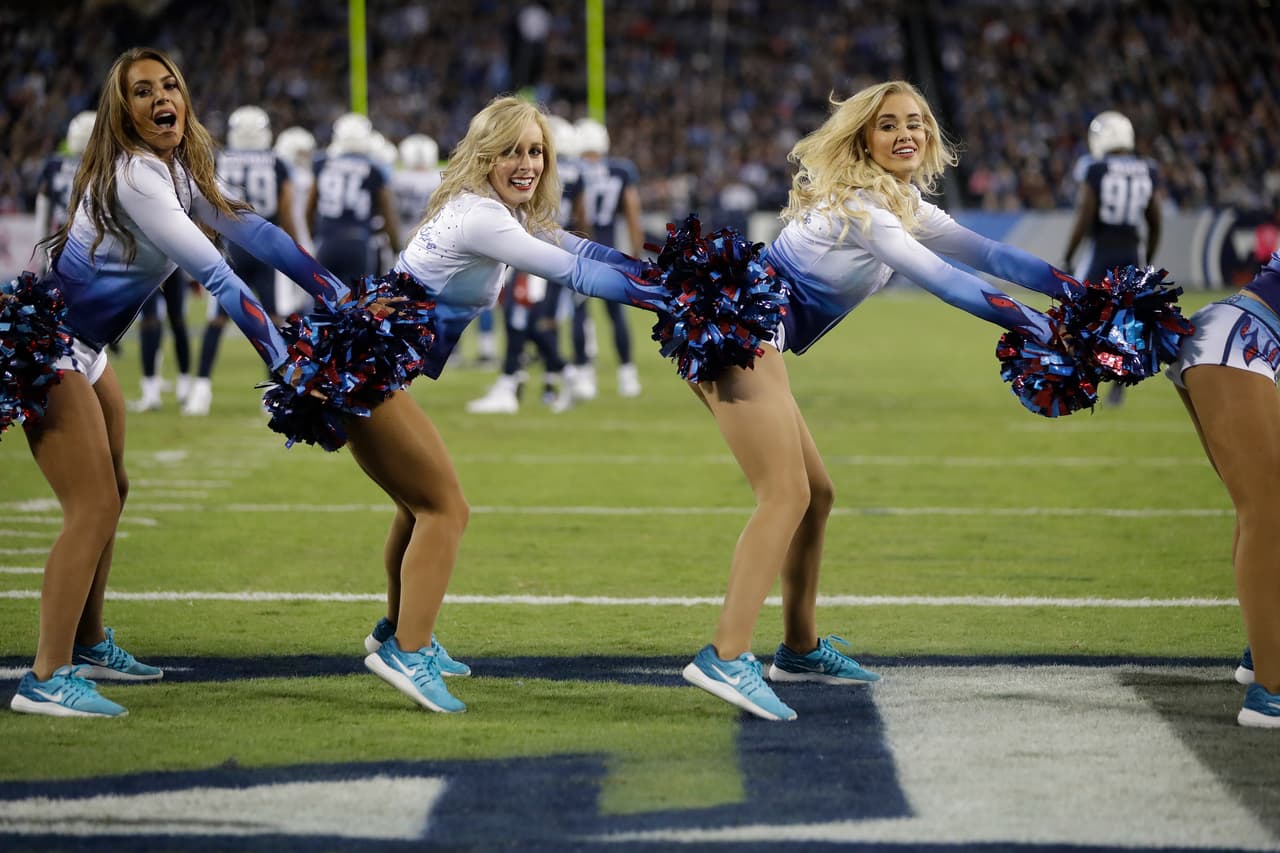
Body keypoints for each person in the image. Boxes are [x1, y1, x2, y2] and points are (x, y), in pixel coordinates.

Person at [676, 81, 1083, 721]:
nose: (906, 135)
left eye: (916, 123)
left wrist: (1079, 297)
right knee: (784, 495)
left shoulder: (903, 202)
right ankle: (724, 655)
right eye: (888, 124)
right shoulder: (862, 208)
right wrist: (1039, 328)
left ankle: (800, 647)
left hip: (747, 334)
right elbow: (947, 282)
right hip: (736, 337)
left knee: (816, 494)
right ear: (863, 136)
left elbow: (993, 254)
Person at [6, 47, 352, 718]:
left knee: (116, 487)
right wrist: (284, 361)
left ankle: (87, 640)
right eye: (142, 91)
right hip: (50, 347)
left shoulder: (176, 170)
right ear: (124, 111)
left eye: (169, 85)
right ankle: (45, 675)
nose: (161, 97)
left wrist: (336, 291)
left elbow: (256, 232)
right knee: (93, 505)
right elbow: (218, 275)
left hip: (88, 347)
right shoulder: (136, 176)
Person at [360, 94, 662, 711]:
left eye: (535, 151)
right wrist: (671, 303)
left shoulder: (498, 212)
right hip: (366, 373)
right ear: (483, 154)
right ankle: (408, 652)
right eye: (511, 151)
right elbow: (574, 276)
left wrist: (660, 275)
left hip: (369, 368)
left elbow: (583, 249)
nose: (526, 163)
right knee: (446, 508)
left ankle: (398, 631)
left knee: (418, 506)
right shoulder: (483, 217)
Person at [1167, 251, 1280, 728]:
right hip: (1241, 340)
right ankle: (1271, 692)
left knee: (1261, 506)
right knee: (1268, 511)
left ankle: (1263, 650)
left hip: (1243, 338)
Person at [183, 105, 298, 416]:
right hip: (265, 249)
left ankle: (201, 390)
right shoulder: (277, 163)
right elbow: (286, 208)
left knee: (217, 319)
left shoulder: (220, 159)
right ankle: (276, 390)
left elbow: (203, 205)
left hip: (232, 247)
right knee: (273, 319)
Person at [1063, 110, 1161, 407]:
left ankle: (1076, 379)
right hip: (1132, 251)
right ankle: (1119, 384)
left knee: (1075, 316)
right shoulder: (1147, 168)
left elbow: (1085, 215)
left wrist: (1068, 255)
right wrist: (1148, 263)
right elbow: (1155, 222)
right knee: (1123, 324)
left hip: (1101, 250)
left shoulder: (1095, 168)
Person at [567, 117, 645, 400]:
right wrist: (636, 251)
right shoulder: (620, 170)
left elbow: (578, 215)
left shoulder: (571, 170)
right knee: (616, 314)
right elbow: (632, 212)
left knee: (579, 313)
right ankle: (627, 375)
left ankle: (585, 374)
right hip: (610, 251)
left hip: (581, 249)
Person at [308, 113, 401, 291]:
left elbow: (310, 206)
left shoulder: (322, 163)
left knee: (324, 304)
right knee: (357, 306)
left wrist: (315, 234)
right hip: (359, 242)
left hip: (327, 241)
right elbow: (388, 212)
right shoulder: (374, 168)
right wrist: (396, 246)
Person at [128, 269, 193, 412]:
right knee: (164, 322)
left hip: (154, 265)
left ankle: (178, 388)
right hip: (163, 263)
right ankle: (158, 392)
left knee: (168, 321)